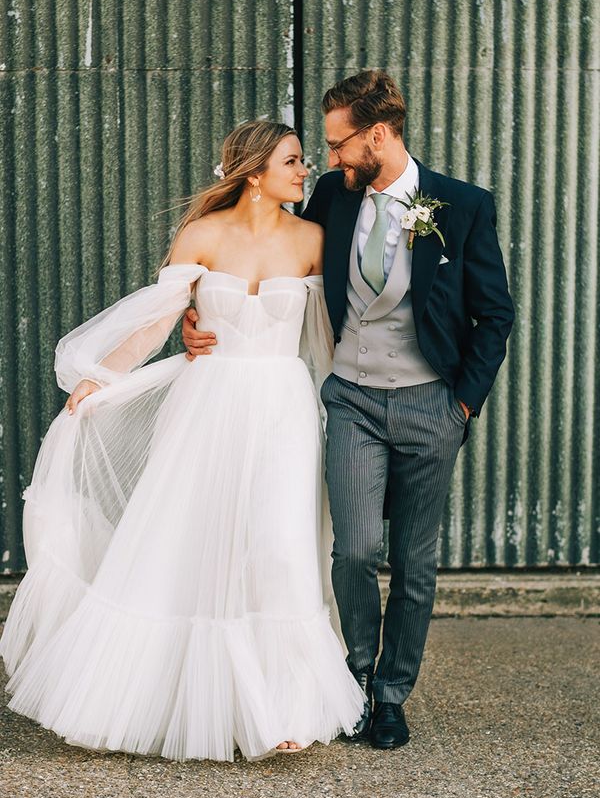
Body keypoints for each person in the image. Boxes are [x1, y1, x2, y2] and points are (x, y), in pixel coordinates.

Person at [0, 120, 365, 762]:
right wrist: (99, 380)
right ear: (254, 172)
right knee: (187, 540)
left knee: (279, 547)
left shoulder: (313, 239)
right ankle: (163, 698)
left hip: (283, 407)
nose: (305, 171)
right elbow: (155, 324)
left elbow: (327, 343)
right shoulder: (201, 235)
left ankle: (279, 705)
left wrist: (355, 409)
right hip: (209, 403)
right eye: (293, 161)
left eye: (305, 160)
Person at [182, 71, 515, 750]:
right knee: (354, 549)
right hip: (353, 400)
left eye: (338, 144)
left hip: (432, 405)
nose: (328, 159)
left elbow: (495, 313)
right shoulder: (333, 196)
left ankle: (392, 697)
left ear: (379, 136)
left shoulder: (461, 205)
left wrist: (463, 406)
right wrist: (196, 312)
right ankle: (352, 684)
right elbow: (265, 252)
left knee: (415, 565)